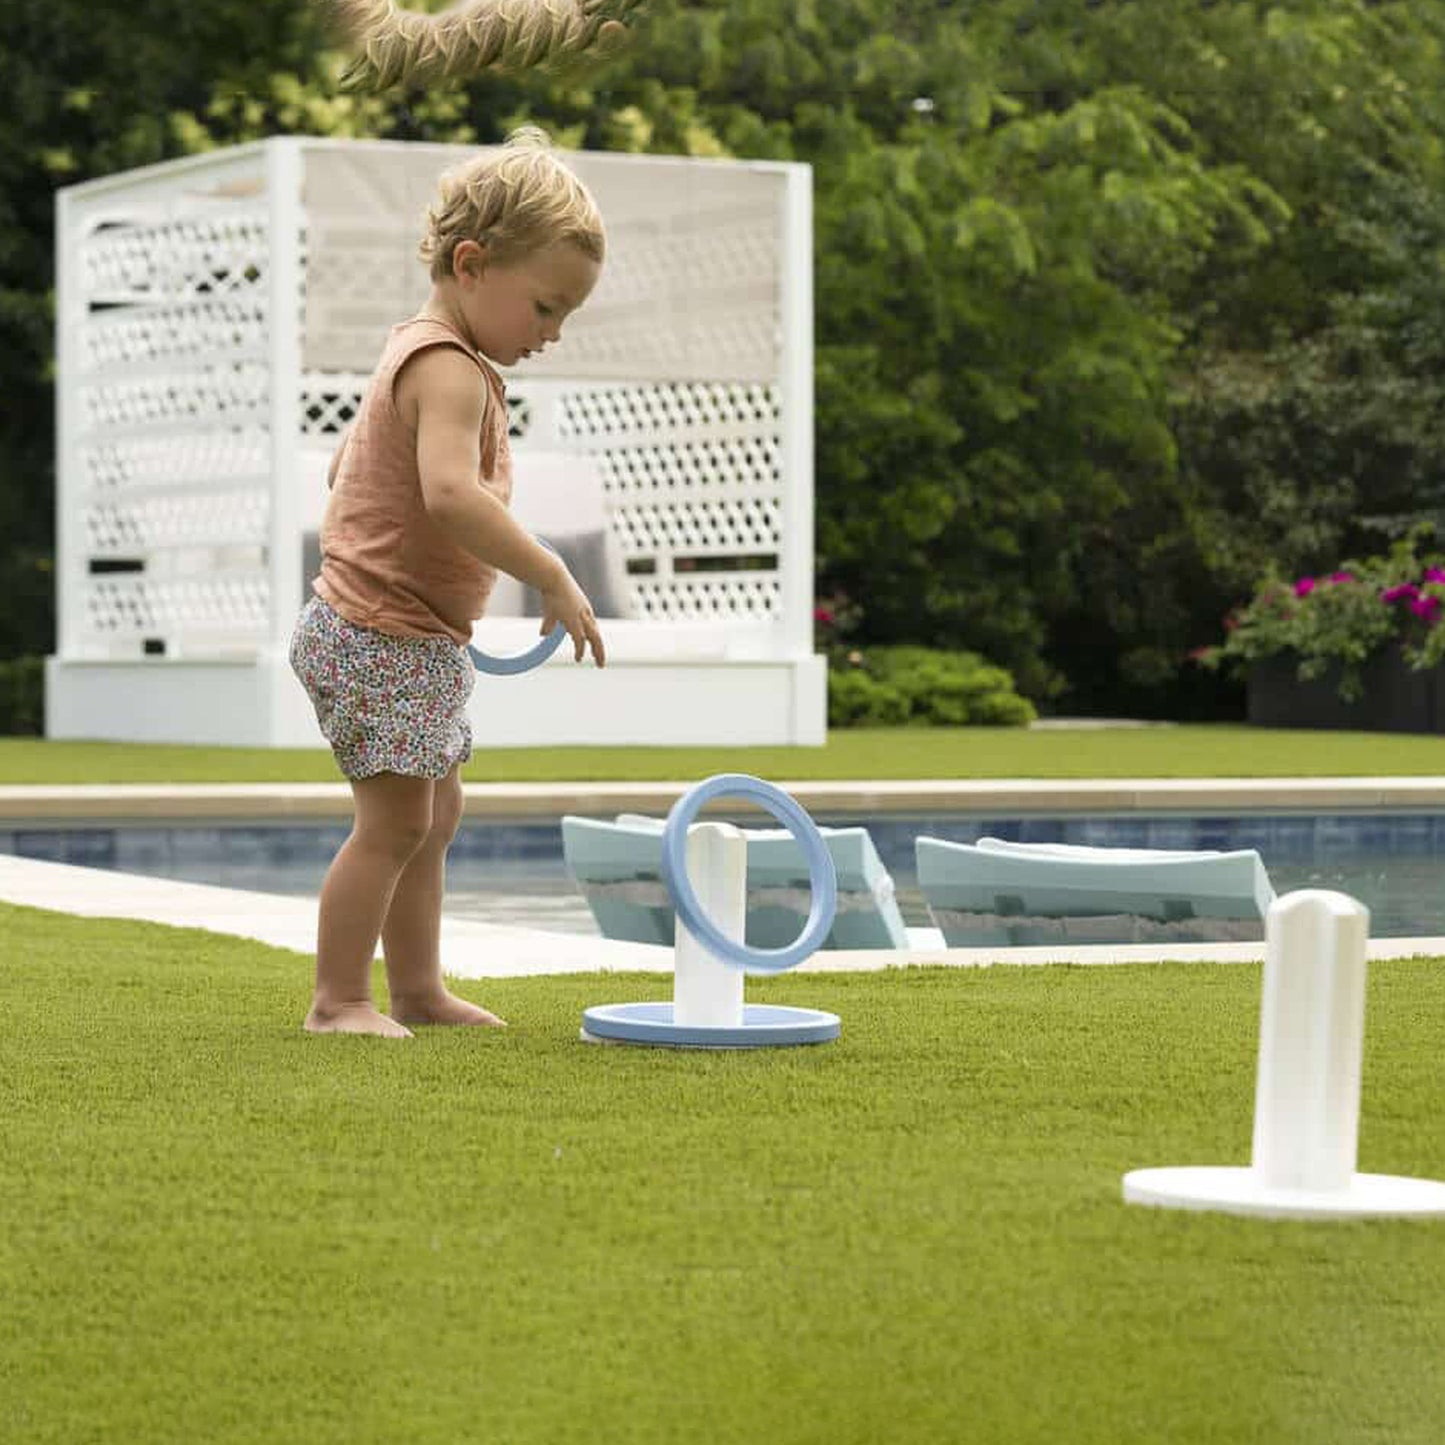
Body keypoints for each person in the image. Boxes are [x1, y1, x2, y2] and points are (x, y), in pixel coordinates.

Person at [289, 127, 607, 1038]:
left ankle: (418, 989)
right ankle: (338, 999)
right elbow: (448, 494)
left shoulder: (419, 351)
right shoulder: (447, 368)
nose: (552, 333)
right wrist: (550, 572)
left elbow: (353, 463)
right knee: (394, 823)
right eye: (545, 307)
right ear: (472, 264)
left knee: (434, 813)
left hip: (405, 633)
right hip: (375, 633)